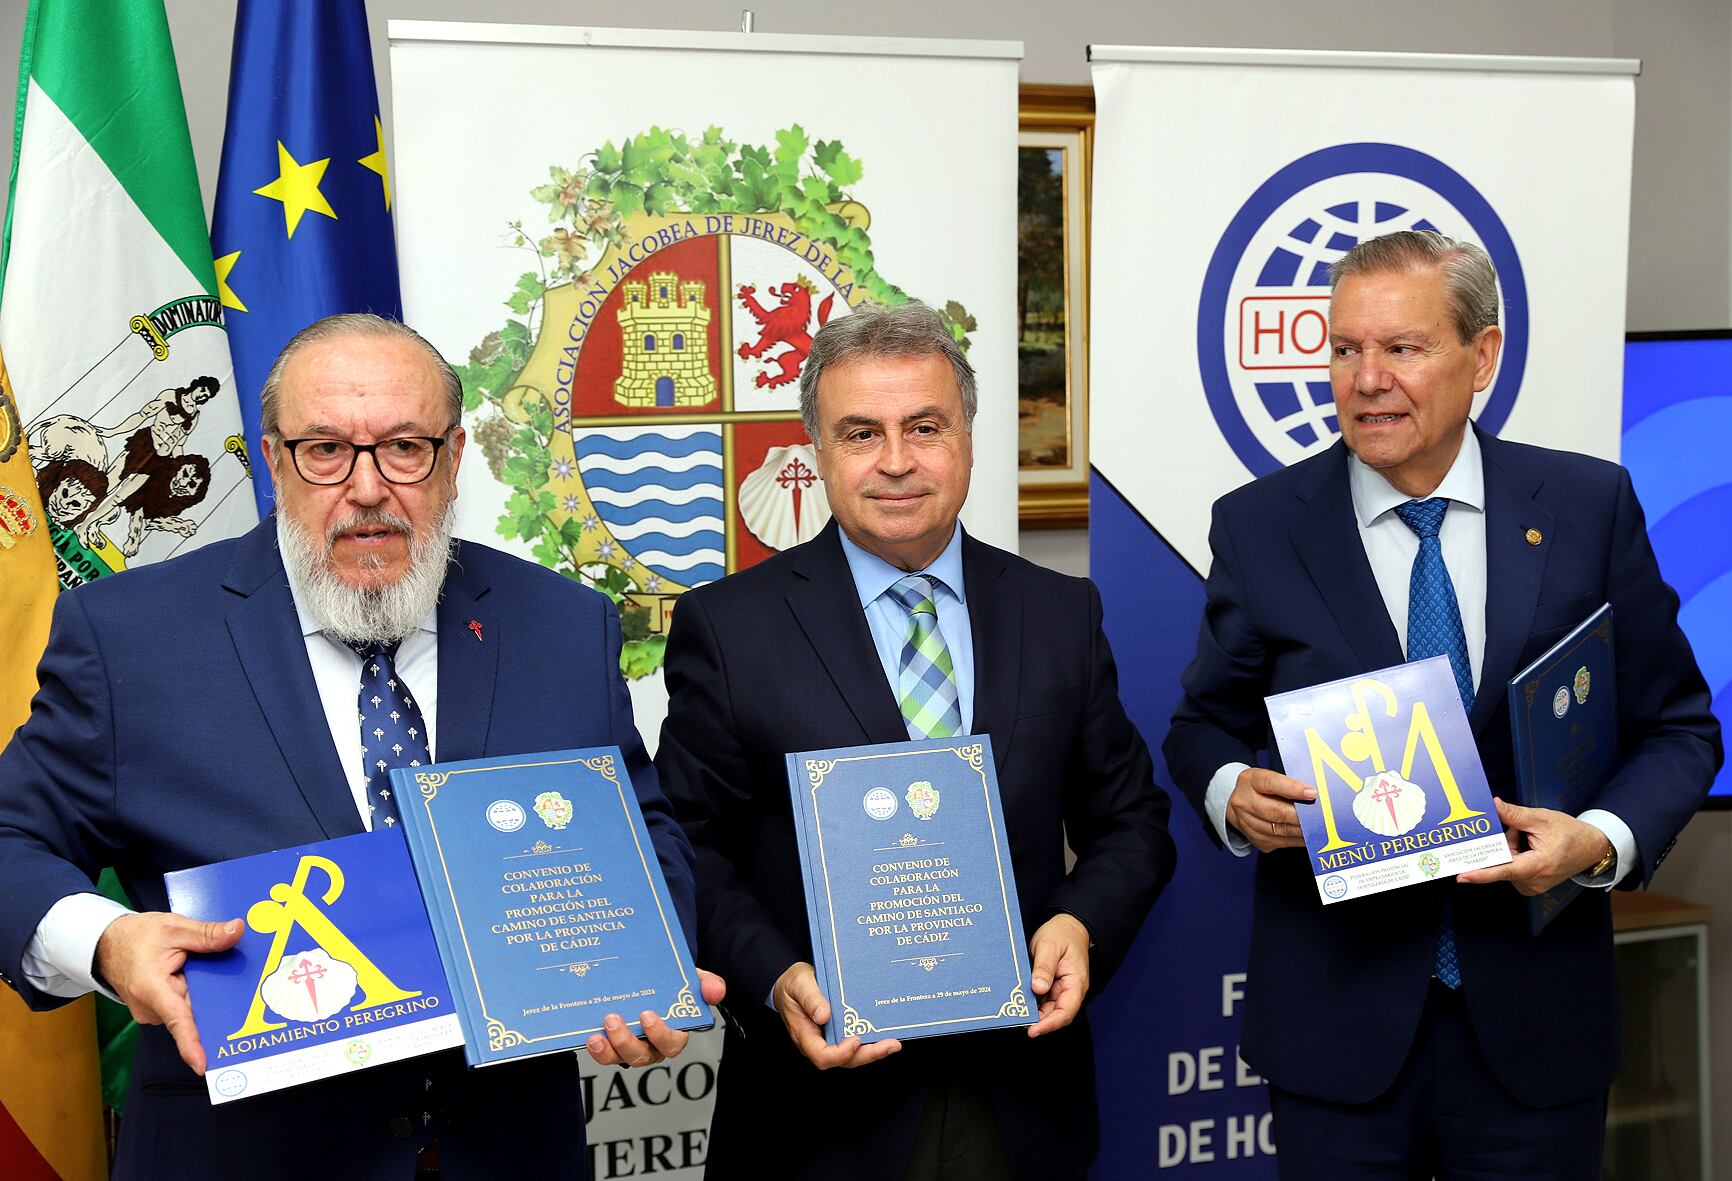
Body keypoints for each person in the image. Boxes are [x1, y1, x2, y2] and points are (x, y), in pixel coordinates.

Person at [0, 314, 721, 1180]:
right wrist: (108, 942)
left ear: (453, 459)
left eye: (405, 448)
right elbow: (10, 839)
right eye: (326, 451)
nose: (368, 487)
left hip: (510, 1152)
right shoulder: (131, 636)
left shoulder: (562, 623)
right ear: (275, 461)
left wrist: (642, 966)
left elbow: (640, 830)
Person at [1164, 230, 1721, 1179]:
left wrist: (1599, 840)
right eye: (1346, 348)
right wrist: (1230, 791)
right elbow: (1202, 724)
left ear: (1483, 356)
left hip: (1537, 1024)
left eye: (1403, 348)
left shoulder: (1588, 506)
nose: (1366, 379)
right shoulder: (1260, 527)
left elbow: (1679, 726)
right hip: (1337, 1030)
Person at [656, 301, 1175, 1180]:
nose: (896, 460)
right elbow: (687, 846)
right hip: (818, 1118)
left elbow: (1133, 822)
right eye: (861, 432)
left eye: (925, 427)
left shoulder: (1059, 612)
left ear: (968, 437)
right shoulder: (731, 629)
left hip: (1025, 1099)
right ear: (818, 451)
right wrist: (775, 976)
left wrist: (1080, 923)